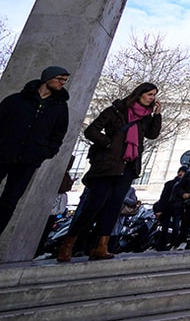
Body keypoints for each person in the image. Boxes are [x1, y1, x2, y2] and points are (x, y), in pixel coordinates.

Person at [57, 82, 162, 262]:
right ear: (139, 94)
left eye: (154, 95)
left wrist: (157, 116)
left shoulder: (145, 117)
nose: (153, 98)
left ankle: (101, 246)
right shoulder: (116, 111)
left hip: (128, 166)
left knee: (114, 207)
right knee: (94, 205)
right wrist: (109, 144)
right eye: (150, 94)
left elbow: (152, 135)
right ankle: (68, 244)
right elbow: (91, 130)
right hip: (106, 166)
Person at [0, 65, 71, 236]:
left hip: (28, 161)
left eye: (65, 80)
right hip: (3, 155)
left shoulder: (60, 108)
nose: (62, 83)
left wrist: (46, 151)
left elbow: (58, 134)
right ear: (48, 78)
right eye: (60, 79)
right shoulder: (16, 100)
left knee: (9, 202)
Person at [152, 166, 187, 250]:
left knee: (176, 228)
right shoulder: (169, 184)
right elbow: (163, 197)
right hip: (167, 209)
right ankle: (161, 246)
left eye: (183, 172)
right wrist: (159, 210)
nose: (180, 173)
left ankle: (172, 245)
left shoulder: (185, 186)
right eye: (180, 171)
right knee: (164, 229)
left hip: (178, 209)